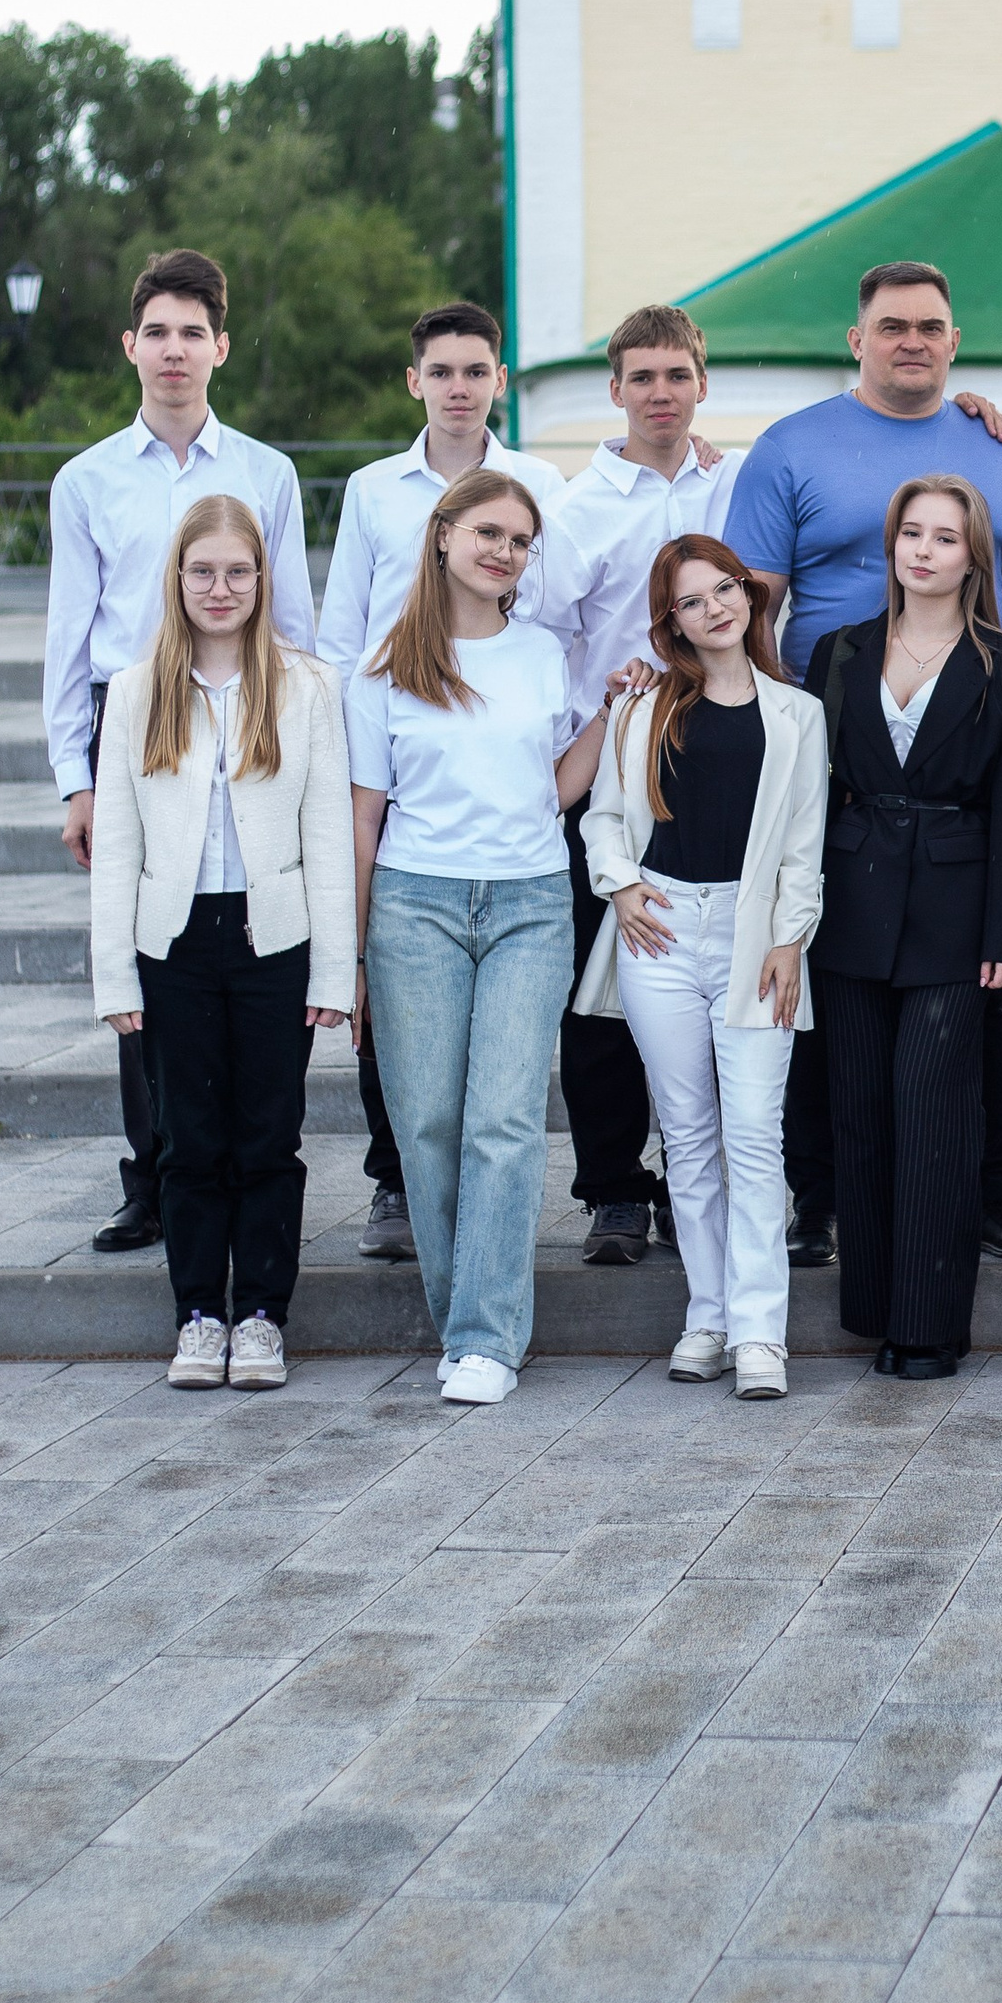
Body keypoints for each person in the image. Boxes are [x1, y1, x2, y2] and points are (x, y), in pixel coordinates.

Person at [723, 263, 1002, 1271]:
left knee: (974, 992)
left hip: (959, 746)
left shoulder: (994, 447)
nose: (912, 340)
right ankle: (822, 1197)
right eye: (892, 326)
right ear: (855, 338)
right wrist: (790, 722)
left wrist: (996, 698)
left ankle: (988, 1194)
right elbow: (754, 600)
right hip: (832, 751)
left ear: (955, 342)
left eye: (931, 327)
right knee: (833, 982)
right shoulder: (792, 448)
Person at [45, 249, 314, 1256]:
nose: (173, 349)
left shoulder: (265, 473)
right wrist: (74, 777)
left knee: (243, 944)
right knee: (145, 940)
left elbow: (292, 622)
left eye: (191, 332)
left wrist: (297, 759)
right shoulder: (88, 481)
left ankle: (249, 1156)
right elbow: (69, 636)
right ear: (131, 346)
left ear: (220, 348)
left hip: (246, 718)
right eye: (156, 331)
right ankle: (153, 1174)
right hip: (137, 729)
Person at [316, 304, 566, 1266]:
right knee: (419, 1087)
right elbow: (343, 638)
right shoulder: (377, 490)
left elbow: (558, 617)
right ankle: (397, 1183)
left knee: (502, 1097)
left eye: (476, 370)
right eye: (442, 370)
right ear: (414, 380)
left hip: (510, 797)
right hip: (405, 768)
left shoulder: (539, 485)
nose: (459, 385)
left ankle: (488, 1304)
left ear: (499, 379)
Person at [92, 494, 354, 1392]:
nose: (220, 587)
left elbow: (328, 836)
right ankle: (200, 1313)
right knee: (189, 1137)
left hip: (273, 935)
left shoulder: (306, 687)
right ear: (177, 578)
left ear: (261, 578)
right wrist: (113, 973)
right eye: (202, 570)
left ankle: (264, 1316)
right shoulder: (137, 691)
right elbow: (117, 846)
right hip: (173, 940)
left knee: (268, 1133)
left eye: (237, 571)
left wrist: (335, 968)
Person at [349, 471, 600, 1404]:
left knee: (502, 1115)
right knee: (428, 1120)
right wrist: (357, 951)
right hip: (414, 904)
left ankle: (487, 1336)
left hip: (530, 901)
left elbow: (557, 786)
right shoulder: (383, 665)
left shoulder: (542, 654)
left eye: (521, 541)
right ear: (444, 534)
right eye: (489, 532)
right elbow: (365, 817)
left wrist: (611, 714)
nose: (505, 551)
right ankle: (464, 1318)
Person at [577, 537, 825, 1401]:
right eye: (693, 598)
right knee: (687, 1135)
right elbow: (603, 817)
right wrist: (621, 888)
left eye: (727, 587)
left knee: (755, 1132)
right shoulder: (645, 708)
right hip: (664, 933)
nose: (717, 605)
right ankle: (708, 1315)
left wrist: (791, 938)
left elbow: (804, 844)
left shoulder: (797, 712)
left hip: (757, 940)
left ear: (750, 596)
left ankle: (762, 1332)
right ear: (671, 620)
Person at [805, 477, 1002, 1378]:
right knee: (859, 1110)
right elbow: (811, 789)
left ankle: (930, 1323)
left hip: (955, 905)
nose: (926, 550)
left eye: (946, 537)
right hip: (850, 903)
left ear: (973, 555)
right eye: (912, 532)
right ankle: (872, 1306)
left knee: (935, 1112)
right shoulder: (838, 651)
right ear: (892, 542)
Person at [537, 304, 738, 1269]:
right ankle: (615, 1187)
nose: (661, 393)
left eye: (678, 374)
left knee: (721, 976)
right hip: (613, 772)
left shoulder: (740, 487)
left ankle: (733, 1174)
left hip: (728, 762)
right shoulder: (577, 509)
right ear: (616, 390)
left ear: (703, 381)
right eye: (642, 378)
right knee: (603, 987)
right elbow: (545, 638)